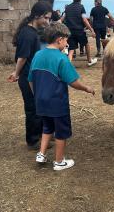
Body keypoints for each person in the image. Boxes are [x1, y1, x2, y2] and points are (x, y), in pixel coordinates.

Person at [28, 23, 95, 171]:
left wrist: (36, 95)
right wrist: (87, 88)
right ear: (59, 40)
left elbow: (30, 79)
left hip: (41, 101)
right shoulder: (61, 58)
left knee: (47, 127)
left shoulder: (37, 55)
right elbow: (73, 82)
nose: (67, 43)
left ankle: (41, 153)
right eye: (66, 40)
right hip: (57, 103)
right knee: (61, 131)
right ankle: (59, 161)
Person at [8, 1, 53, 149]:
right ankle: (33, 141)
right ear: (37, 16)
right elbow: (22, 58)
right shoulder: (28, 34)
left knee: (38, 107)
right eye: (45, 18)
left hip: (35, 76)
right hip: (28, 77)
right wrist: (16, 73)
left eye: (48, 18)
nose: (47, 21)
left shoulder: (33, 32)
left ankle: (41, 136)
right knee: (32, 108)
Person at [60, 0, 98, 66]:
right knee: (86, 44)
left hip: (70, 31)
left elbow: (62, 19)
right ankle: (89, 60)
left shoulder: (67, 7)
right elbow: (84, 20)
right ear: (80, 0)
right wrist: (91, 30)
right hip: (79, 30)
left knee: (71, 49)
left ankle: (68, 64)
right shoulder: (81, 7)